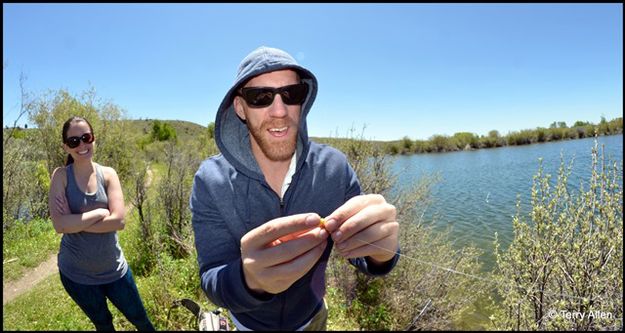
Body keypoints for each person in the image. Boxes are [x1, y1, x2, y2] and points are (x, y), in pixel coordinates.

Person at [190, 46, 400, 331]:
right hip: (249, 325)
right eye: (260, 97)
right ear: (240, 108)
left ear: (304, 101)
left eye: (291, 95)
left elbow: (362, 253)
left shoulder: (334, 167)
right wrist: (248, 280)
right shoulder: (209, 181)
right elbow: (211, 276)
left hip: (312, 319)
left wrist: (382, 252)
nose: (279, 111)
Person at [48, 116, 155, 331]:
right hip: (76, 276)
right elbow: (59, 226)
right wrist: (99, 212)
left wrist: (74, 222)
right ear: (66, 147)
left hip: (115, 270)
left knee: (142, 322)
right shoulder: (60, 176)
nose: (82, 145)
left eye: (86, 137)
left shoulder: (107, 174)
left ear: (94, 139)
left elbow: (119, 220)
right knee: (103, 325)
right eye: (74, 141)